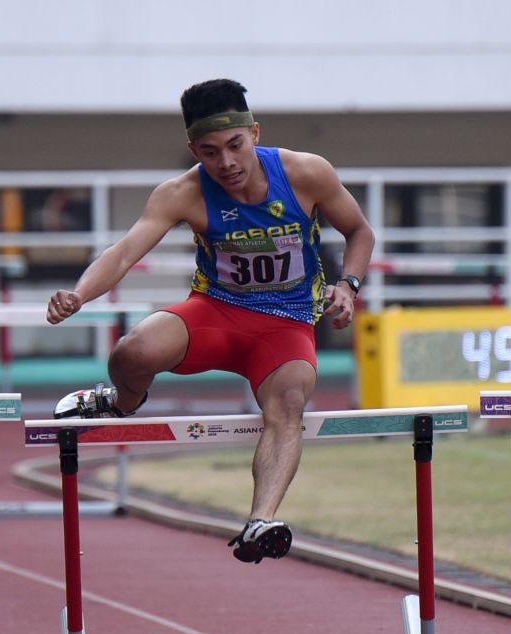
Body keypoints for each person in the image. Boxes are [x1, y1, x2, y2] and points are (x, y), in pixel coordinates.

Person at [47, 79, 374, 566]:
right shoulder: (182, 192)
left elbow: (359, 231)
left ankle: (260, 521)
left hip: (285, 326)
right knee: (131, 352)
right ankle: (120, 401)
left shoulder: (306, 172)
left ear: (255, 133)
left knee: (288, 403)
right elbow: (123, 254)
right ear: (192, 149)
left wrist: (347, 285)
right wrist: (79, 293)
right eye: (210, 152)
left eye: (235, 146)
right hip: (215, 312)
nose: (227, 164)